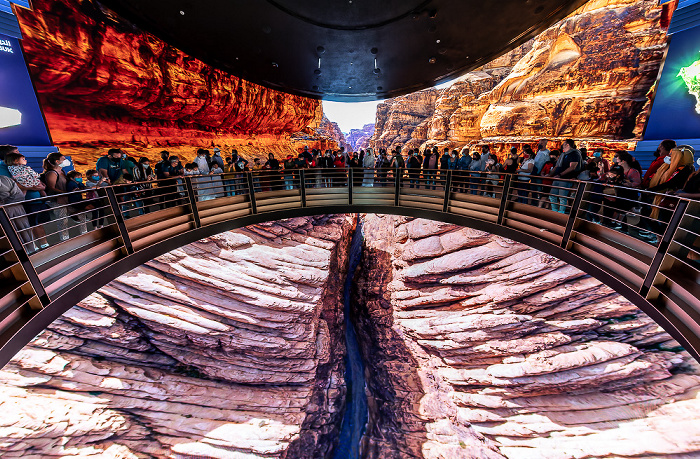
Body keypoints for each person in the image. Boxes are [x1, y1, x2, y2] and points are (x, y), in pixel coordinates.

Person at [5, 151, 49, 249]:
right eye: (23, 158)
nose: (25, 160)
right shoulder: (21, 169)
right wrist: (36, 185)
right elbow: (30, 176)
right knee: (32, 223)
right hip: (30, 201)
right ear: (16, 160)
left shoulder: (13, 168)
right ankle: (35, 246)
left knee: (36, 222)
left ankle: (41, 245)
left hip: (34, 199)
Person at [548, 139, 582, 213]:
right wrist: (551, 174)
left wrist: (560, 174)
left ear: (567, 145)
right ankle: (554, 210)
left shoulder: (574, 154)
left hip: (565, 178)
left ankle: (561, 212)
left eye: (564, 144)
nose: (562, 146)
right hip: (558, 177)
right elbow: (557, 166)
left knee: (562, 197)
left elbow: (572, 167)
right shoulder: (563, 154)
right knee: (552, 195)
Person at [0, 175, 33, 246]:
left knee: (24, 235)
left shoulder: (4, 179)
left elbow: (19, 196)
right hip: (5, 214)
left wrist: (4, 202)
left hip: (16, 211)